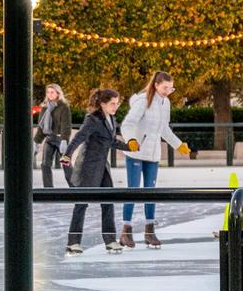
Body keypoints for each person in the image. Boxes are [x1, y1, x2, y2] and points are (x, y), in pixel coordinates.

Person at [119, 70, 186, 248]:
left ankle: (149, 231)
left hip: (153, 154)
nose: (168, 91)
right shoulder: (143, 101)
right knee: (133, 190)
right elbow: (128, 124)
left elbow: (164, 129)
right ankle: (126, 230)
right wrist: (131, 140)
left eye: (171, 89)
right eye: (165, 87)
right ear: (156, 85)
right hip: (136, 151)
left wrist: (178, 144)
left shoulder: (166, 103)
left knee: (151, 191)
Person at [61, 88, 125, 255]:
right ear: (103, 104)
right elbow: (79, 137)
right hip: (88, 167)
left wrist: (130, 147)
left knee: (108, 201)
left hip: (103, 167)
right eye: (112, 104)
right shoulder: (92, 119)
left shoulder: (111, 119)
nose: (115, 107)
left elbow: (110, 141)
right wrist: (67, 154)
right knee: (82, 203)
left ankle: (110, 240)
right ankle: (73, 242)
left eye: (117, 104)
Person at [35, 84, 72, 189]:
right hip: (50, 139)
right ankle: (48, 189)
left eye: (52, 92)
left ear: (58, 93)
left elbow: (66, 125)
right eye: (48, 92)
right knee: (45, 164)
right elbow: (42, 128)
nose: (50, 94)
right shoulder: (45, 108)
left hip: (61, 139)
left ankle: (75, 188)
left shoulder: (64, 107)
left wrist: (65, 140)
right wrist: (36, 142)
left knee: (66, 164)